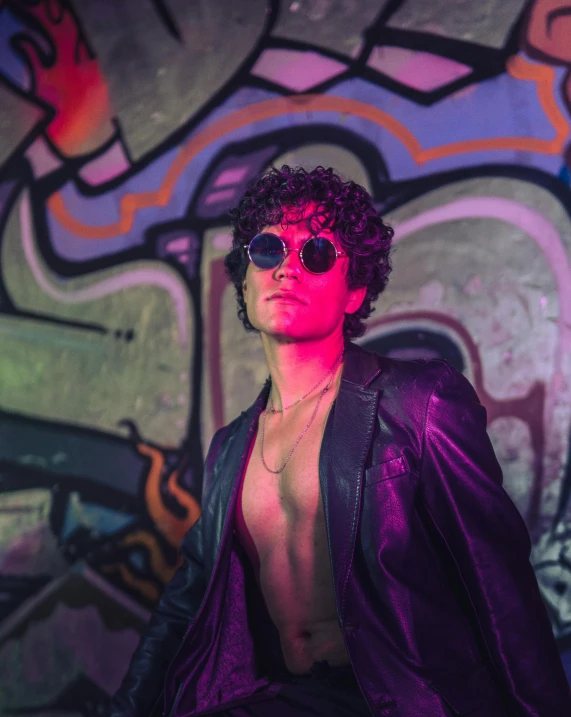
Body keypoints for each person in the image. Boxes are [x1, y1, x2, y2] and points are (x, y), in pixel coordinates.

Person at [110, 166, 571, 717]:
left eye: (318, 254)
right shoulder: (230, 448)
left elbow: (500, 586)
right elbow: (185, 606)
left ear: (354, 291)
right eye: (268, 249)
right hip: (281, 699)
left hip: (403, 701)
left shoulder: (420, 403)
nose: (287, 269)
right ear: (245, 280)